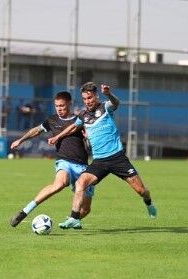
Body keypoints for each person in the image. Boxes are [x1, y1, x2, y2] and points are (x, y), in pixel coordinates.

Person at [48, 82, 157, 229]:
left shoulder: (105, 107)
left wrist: (108, 93)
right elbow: (73, 127)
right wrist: (57, 137)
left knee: (141, 191)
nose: (88, 101)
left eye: (90, 98)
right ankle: (74, 218)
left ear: (96, 96)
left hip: (117, 158)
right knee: (81, 183)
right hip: (99, 161)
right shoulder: (83, 115)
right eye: (85, 99)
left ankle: (149, 202)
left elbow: (116, 103)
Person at [9, 91, 95, 227]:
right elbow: (36, 130)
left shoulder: (79, 120)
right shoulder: (52, 120)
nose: (59, 109)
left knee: (85, 209)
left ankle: (72, 219)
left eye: (62, 106)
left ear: (69, 104)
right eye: (57, 106)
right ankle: (25, 211)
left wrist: (88, 137)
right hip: (64, 162)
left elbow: (91, 138)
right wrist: (21, 140)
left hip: (83, 166)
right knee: (59, 184)